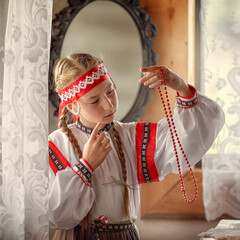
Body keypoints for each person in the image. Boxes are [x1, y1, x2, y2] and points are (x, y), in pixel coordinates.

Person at [48, 53, 225, 240]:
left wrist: (180, 85)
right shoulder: (58, 144)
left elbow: (191, 137)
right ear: (72, 106)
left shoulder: (130, 136)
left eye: (110, 91)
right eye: (94, 100)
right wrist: (86, 165)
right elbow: (57, 216)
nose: (109, 105)